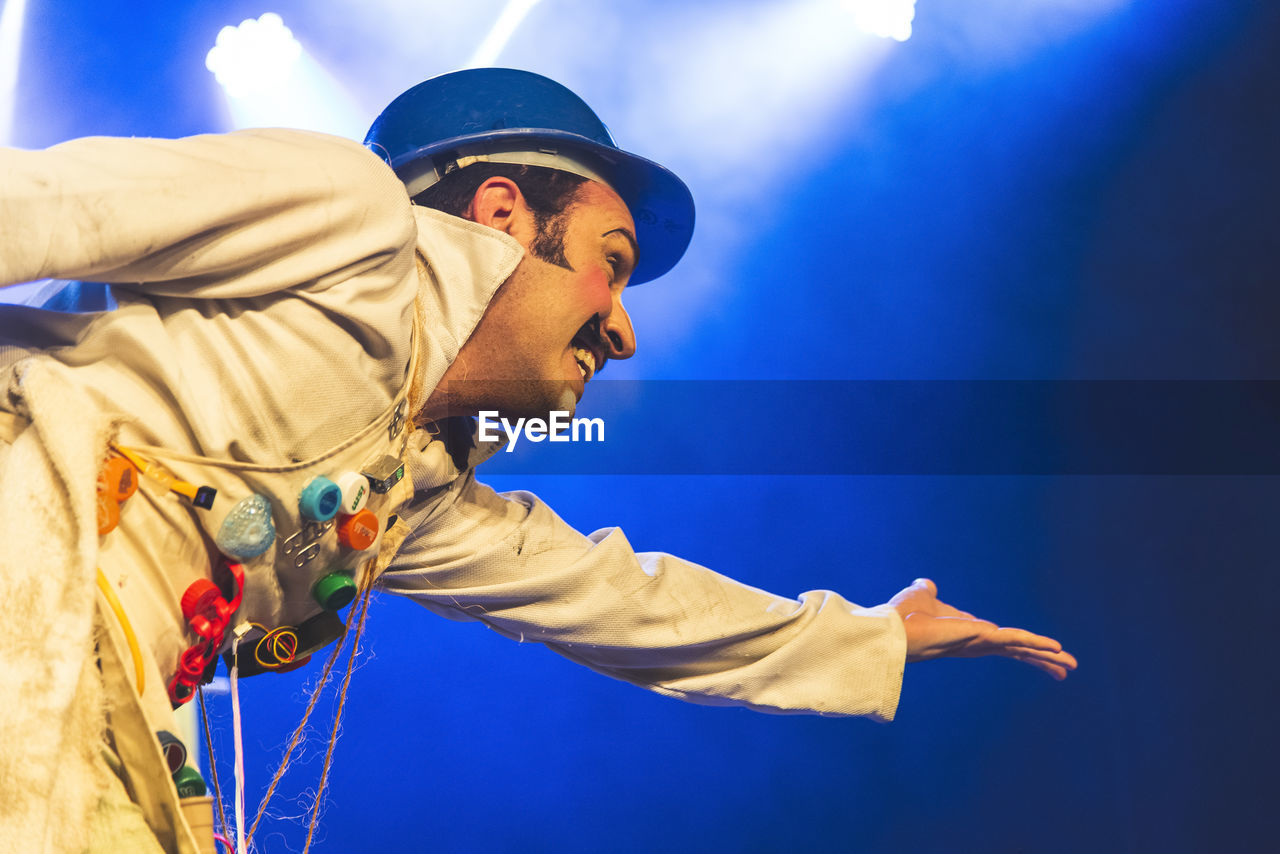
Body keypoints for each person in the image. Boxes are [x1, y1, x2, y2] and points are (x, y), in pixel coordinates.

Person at [0, 68, 1076, 852]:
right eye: (611, 266)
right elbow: (41, 207)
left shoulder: (415, 489)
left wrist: (873, 633)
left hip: (87, 709)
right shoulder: (350, 222)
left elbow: (627, 602)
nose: (623, 331)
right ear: (504, 215)